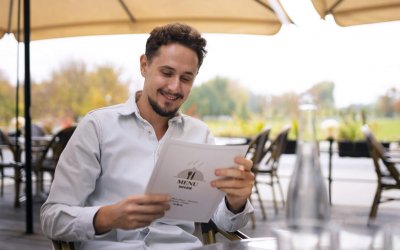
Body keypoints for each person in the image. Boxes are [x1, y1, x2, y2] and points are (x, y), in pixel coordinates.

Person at [40, 23, 254, 250]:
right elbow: (52, 218)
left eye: (186, 78)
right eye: (167, 73)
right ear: (144, 65)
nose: (174, 87)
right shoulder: (98, 127)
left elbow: (224, 222)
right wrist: (107, 217)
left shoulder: (199, 134)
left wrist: (236, 202)